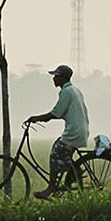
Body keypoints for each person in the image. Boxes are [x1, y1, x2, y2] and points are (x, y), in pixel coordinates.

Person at [25, 64, 89, 199]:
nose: (54, 79)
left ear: (63, 78)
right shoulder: (74, 90)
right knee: (60, 150)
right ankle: (75, 170)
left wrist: (36, 118)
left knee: (55, 154)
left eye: (56, 76)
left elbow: (56, 113)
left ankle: (52, 186)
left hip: (74, 133)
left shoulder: (66, 92)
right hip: (79, 130)